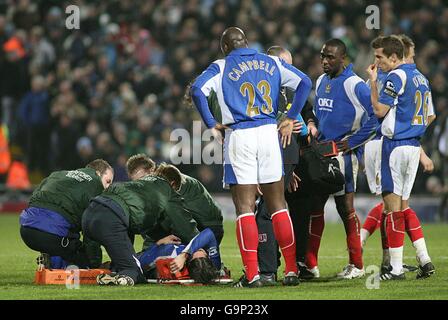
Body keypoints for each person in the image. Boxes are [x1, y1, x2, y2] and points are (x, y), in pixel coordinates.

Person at [191, 27, 312, 287]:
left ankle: (253, 274)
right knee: (279, 204)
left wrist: (212, 123)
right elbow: (305, 82)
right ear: (246, 41)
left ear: (225, 47)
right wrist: (291, 116)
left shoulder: (221, 66)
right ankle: (291, 271)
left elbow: (197, 91)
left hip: (240, 135)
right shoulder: (273, 61)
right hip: (269, 133)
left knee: (244, 208)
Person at [361, 35, 436, 276]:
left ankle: (394, 268)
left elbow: (379, 110)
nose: (377, 62)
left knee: (391, 209)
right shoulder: (422, 78)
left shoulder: (396, 75)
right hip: (413, 146)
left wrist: (373, 83)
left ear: (394, 57)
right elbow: (430, 116)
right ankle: (424, 260)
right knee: (401, 207)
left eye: (380, 57)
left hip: (393, 146)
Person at [306, 38, 377, 279]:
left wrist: (355, 141)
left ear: (342, 58)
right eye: (323, 56)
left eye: (330, 57)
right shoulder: (321, 80)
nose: (325, 61)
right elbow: (318, 112)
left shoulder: (355, 84)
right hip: (320, 155)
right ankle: (310, 265)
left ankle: (356, 265)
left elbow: (377, 116)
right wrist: (312, 123)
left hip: (343, 156)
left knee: (345, 208)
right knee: (315, 207)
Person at [255, 45, 316, 285]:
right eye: (284, 64)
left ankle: (269, 270)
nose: (288, 69)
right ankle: (291, 267)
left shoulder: (284, 90)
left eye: (289, 64)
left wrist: (303, 128)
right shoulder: (286, 90)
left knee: (266, 213)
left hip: (280, 156)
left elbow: (303, 130)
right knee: (280, 211)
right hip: (283, 157)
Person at [82, 173, 199, 286]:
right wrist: (199, 245)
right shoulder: (167, 190)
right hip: (110, 219)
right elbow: (185, 225)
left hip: (88, 214)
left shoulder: (139, 185)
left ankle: (106, 272)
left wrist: (159, 240)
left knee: (116, 263)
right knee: (134, 272)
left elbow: (137, 220)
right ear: (173, 184)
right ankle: (122, 275)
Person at [19, 159, 114, 268]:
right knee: (83, 257)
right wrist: (94, 264)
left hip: (26, 230)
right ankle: (55, 262)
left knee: (65, 238)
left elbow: (33, 200)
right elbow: (91, 234)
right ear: (97, 173)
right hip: (52, 235)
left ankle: (51, 257)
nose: (107, 188)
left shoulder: (57, 174)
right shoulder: (97, 186)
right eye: (108, 181)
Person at [154, 163, 224, 245]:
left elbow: (183, 224)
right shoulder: (177, 180)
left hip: (208, 230)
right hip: (211, 228)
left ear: (172, 183)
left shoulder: (182, 191)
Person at [137, 228, 222, 284]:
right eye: (202, 251)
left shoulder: (170, 257)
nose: (200, 248)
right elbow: (208, 233)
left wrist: (157, 244)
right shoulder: (215, 264)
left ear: (188, 262)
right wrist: (184, 254)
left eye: (194, 252)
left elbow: (139, 262)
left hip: (148, 249)